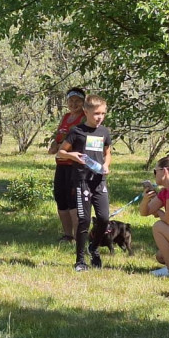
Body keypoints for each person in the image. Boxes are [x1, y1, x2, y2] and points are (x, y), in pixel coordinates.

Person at [56, 94, 112, 273]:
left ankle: (93, 248)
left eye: (103, 114)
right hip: (81, 181)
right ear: (86, 112)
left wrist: (106, 165)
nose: (99, 117)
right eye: (96, 113)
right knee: (84, 220)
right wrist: (72, 155)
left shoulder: (104, 132)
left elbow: (107, 152)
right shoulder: (76, 131)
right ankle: (80, 260)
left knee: (103, 218)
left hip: (99, 180)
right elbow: (60, 153)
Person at [48, 88, 87, 241]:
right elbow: (58, 136)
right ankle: (67, 235)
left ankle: (79, 238)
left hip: (75, 165)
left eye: (77, 101)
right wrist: (54, 145)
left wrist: (62, 146)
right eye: (71, 101)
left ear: (84, 102)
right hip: (61, 164)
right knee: (60, 197)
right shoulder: (65, 117)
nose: (74, 104)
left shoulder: (84, 118)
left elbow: (76, 139)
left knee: (74, 201)